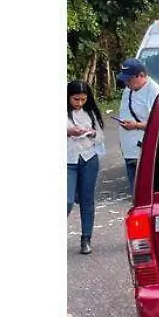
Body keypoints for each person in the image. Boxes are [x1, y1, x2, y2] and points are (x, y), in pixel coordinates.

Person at [67, 80, 105, 256]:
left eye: (82, 99)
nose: (79, 103)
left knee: (87, 200)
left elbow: (101, 137)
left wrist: (92, 132)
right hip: (68, 160)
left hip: (88, 158)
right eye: (75, 99)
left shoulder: (90, 112)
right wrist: (69, 131)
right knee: (67, 200)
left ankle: (86, 238)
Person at [116, 59, 159, 193]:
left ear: (141, 75)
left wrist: (136, 125)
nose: (127, 83)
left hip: (144, 151)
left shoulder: (155, 92)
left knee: (143, 194)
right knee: (134, 193)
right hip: (129, 151)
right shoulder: (129, 89)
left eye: (129, 80)